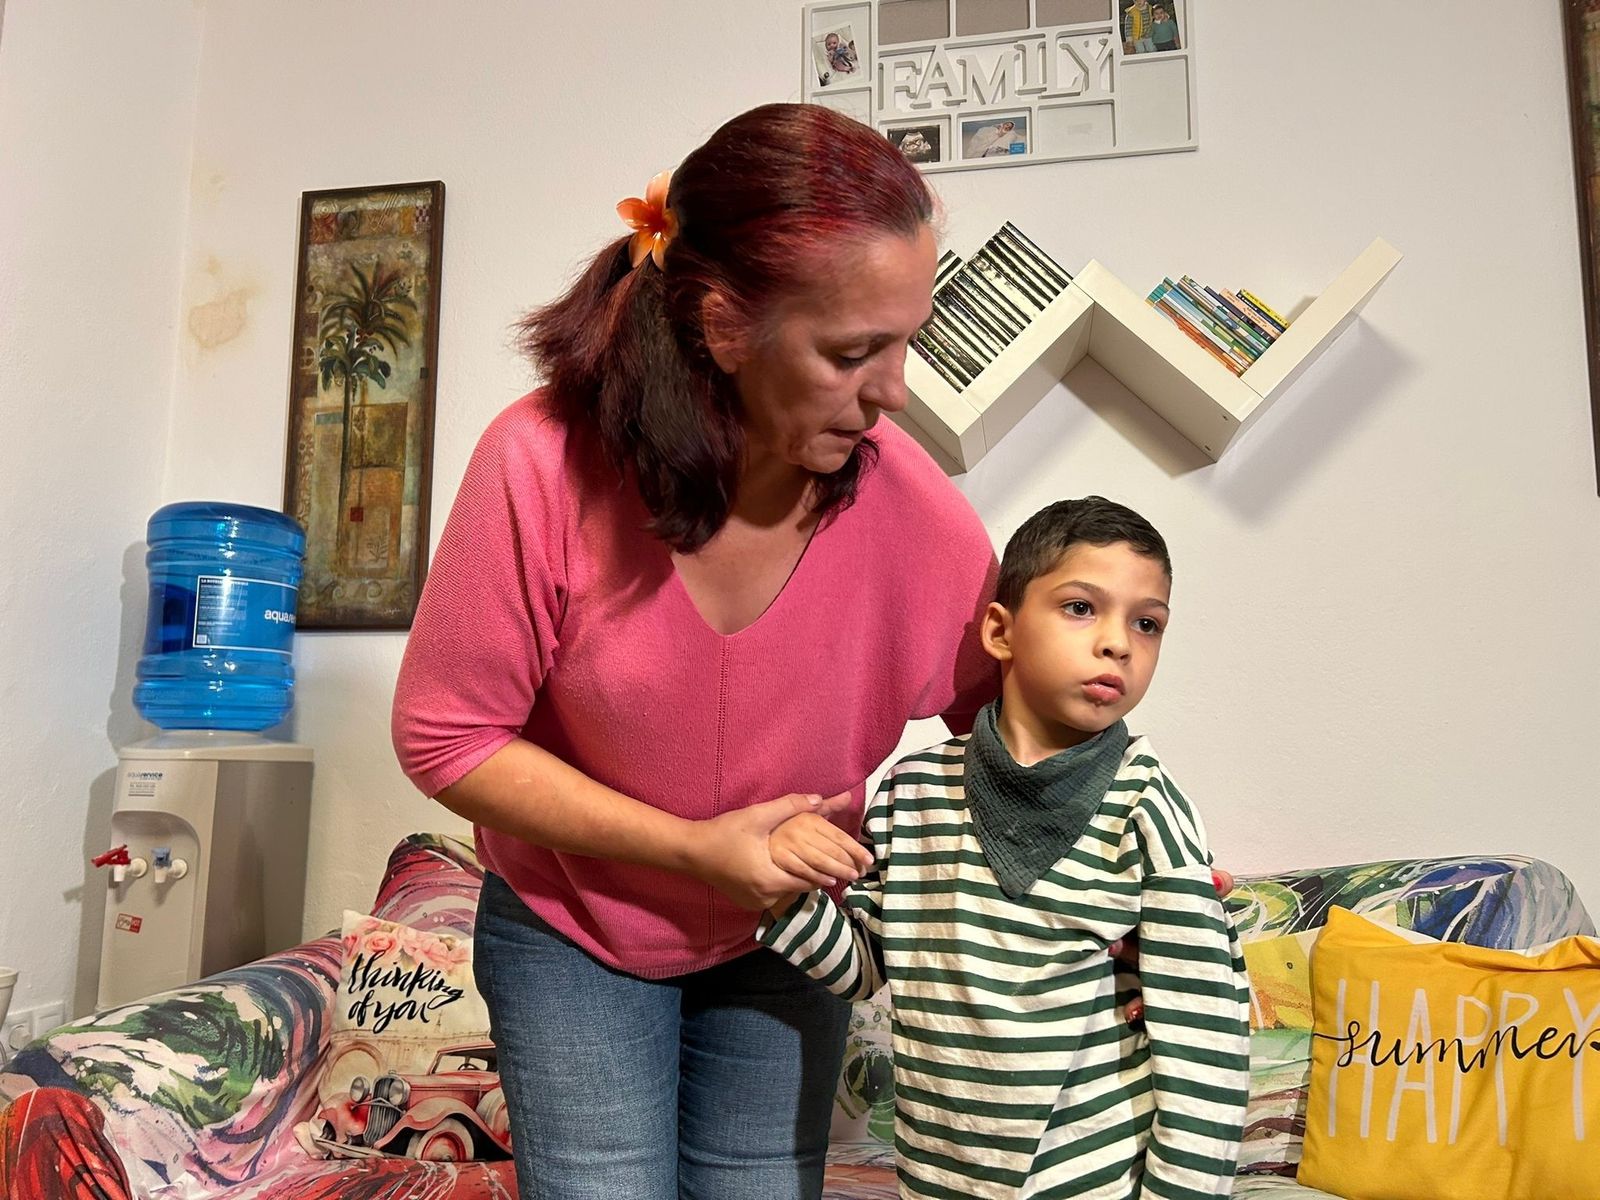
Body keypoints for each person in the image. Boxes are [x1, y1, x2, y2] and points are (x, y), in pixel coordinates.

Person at [392, 103, 1231, 1200]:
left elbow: (1029, 736)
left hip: (794, 937)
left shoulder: (914, 520)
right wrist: (696, 849)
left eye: (909, 344)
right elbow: (446, 739)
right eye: (852, 352)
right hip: (574, 928)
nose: (894, 393)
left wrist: (1141, 914)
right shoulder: (538, 464)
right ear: (720, 323)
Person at [759, 496, 1252, 1198]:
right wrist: (784, 882)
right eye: (1082, 607)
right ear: (1000, 630)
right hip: (935, 1174)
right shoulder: (912, 790)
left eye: (1147, 623)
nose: (1118, 641)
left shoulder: (1147, 805)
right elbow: (866, 965)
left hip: (1092, 1180)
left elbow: (1204, 1032)